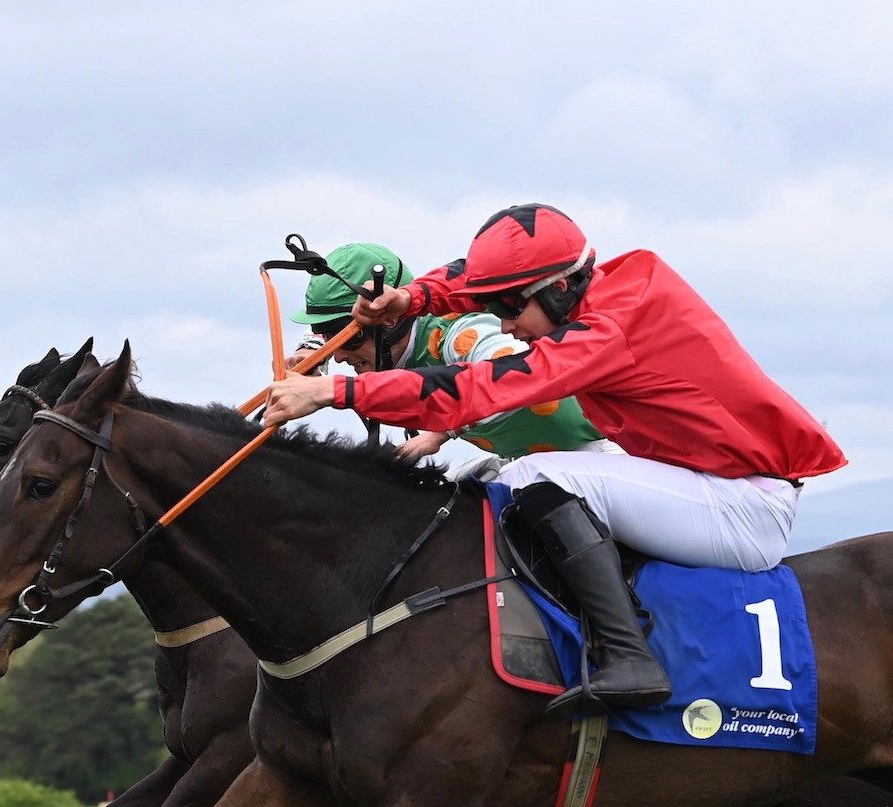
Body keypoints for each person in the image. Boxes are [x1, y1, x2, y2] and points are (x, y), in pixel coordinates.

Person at [263, 203, 847, 711]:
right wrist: (412, 297)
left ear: (559, 289)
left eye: (512, 311)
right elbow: (473, 278)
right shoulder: (602, 285)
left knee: (532, 474)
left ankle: (628, 656)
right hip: (702, 481)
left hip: (743, 509)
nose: (505, 325)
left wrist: (335, 393)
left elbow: (480, 388)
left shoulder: (602, 332)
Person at [286, 242, 611, 464]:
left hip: (601, 454)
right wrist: (312, 353)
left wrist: (442, 432)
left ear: (391, 319)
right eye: (330, 339)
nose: (340, 357)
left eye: (348, 341)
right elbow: (330, 331)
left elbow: (512, 371)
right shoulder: (365, 336)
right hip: (529, 463)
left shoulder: (457, 338)